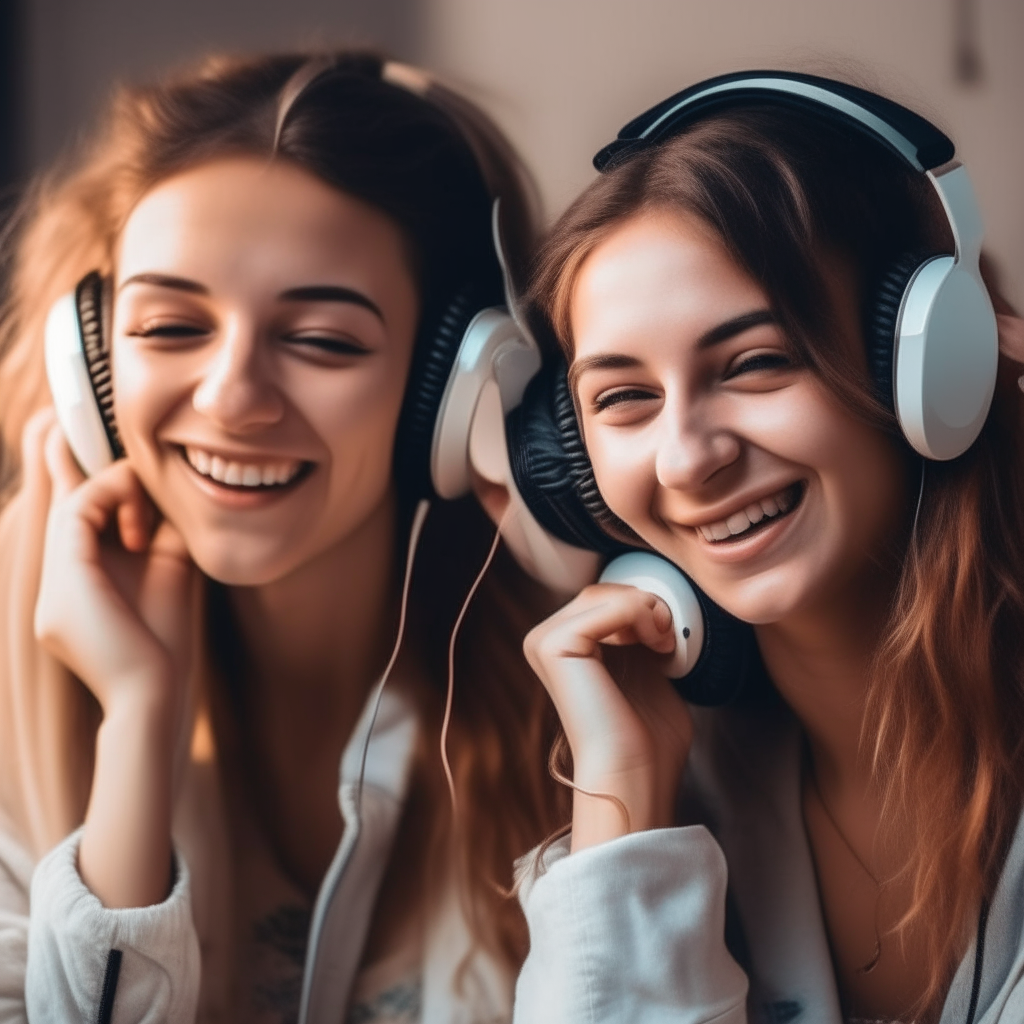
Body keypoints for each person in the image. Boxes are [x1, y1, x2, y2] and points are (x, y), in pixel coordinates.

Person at [0, 51, 570, 1023]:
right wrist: (137, 716)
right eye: (169, 327)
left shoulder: (588, 690)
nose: (231, 398)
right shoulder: (20, 674)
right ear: (90, 364)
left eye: (322, 340)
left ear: (460, 388)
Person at [513, 74, 1024, 1024]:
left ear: (931, 360)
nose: (688, 458)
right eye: (623, 397)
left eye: (755, 363)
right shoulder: (686, 777)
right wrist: (623, 797)